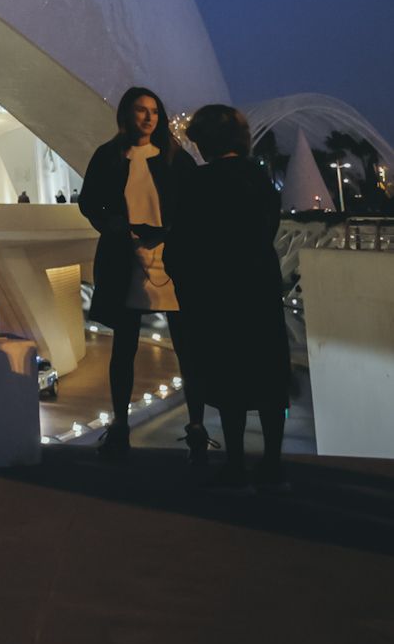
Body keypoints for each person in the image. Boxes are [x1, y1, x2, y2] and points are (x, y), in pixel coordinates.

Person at [175, 104, 291, 491]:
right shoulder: (259, 178)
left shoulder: (197, 183)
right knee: (269, 376)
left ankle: (236, 463)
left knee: (229, 379)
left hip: (217, 292)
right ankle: (273, 463)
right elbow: (268, 227)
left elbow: (183, 244)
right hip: (258, 285)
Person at [77, 86, 190, 462]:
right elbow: (89, 201)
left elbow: (195, 201)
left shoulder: (175, 157)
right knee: (123, 347)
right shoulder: (109, 156)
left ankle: (197, 424)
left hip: (169, 256)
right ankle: (121, 425)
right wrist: (111, 224)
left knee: (187, 346)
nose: (148, 118)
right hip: (124, 256)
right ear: (126, 114)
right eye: (141, 110)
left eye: (154, 111)